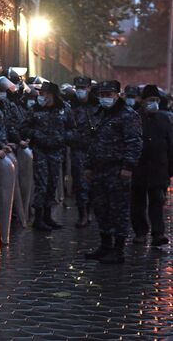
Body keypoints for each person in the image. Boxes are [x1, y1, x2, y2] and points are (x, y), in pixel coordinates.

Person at [85, 80, 143, 264]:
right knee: (101, 209)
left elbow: (134, 142)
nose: (105, 98)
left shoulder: (128, 115)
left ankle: (118, 250)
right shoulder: (99, 114)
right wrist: (88, 165)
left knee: (118, 210)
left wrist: (128, 167)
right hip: (99, 169)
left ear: (118, 95)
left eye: (109, 95)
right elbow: (92, 142)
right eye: (102, 95)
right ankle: (105, 245)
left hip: (117, 170)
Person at [21, 82, 73, 231]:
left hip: (56, 152)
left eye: (44, 93)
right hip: (41, 151)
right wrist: (36, 135)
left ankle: (48, 216)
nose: (41, 96)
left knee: (52, 184)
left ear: (52, 95)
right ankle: (38, 218)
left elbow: (72, 128)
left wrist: (63, 137)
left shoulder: (64, 109)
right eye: (41, 93)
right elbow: (23, 128)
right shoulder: (35, 110)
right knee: (41, 185)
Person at [131, 85, 173, 246]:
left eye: (156, 100)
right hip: (138, 167)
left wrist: (170, 168)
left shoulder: (164, 119)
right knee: (137, 203)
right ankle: (140, 232)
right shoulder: (134, 118)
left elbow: (170, 143)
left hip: (159, 168)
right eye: (151, 100)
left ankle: (158, 233)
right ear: (143, 101)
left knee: (157, 201)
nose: (154, 103)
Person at [69, 76, 99, 228]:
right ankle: (83, 215)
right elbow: (65, 127)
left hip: (95, 151)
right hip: (79, 150)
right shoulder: (70, 106)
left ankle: (91, 212)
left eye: (83, 87)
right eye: (77, 87)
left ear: (89, 88)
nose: (80, 90)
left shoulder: (97, 106)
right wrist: (72, 138)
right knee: (80, 184)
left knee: (94, 183)